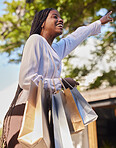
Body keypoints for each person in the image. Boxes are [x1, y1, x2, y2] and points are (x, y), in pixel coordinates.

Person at [1, 8, 113, 148]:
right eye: (55, 17)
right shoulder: (35, 40)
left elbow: (75, 37)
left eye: (60, 17)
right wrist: (60, 83)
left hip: (44, 114)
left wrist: (99, 23)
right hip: (25, 114)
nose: (60, 20)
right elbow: (26, 79)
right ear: (42, 23)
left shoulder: (55, 50)